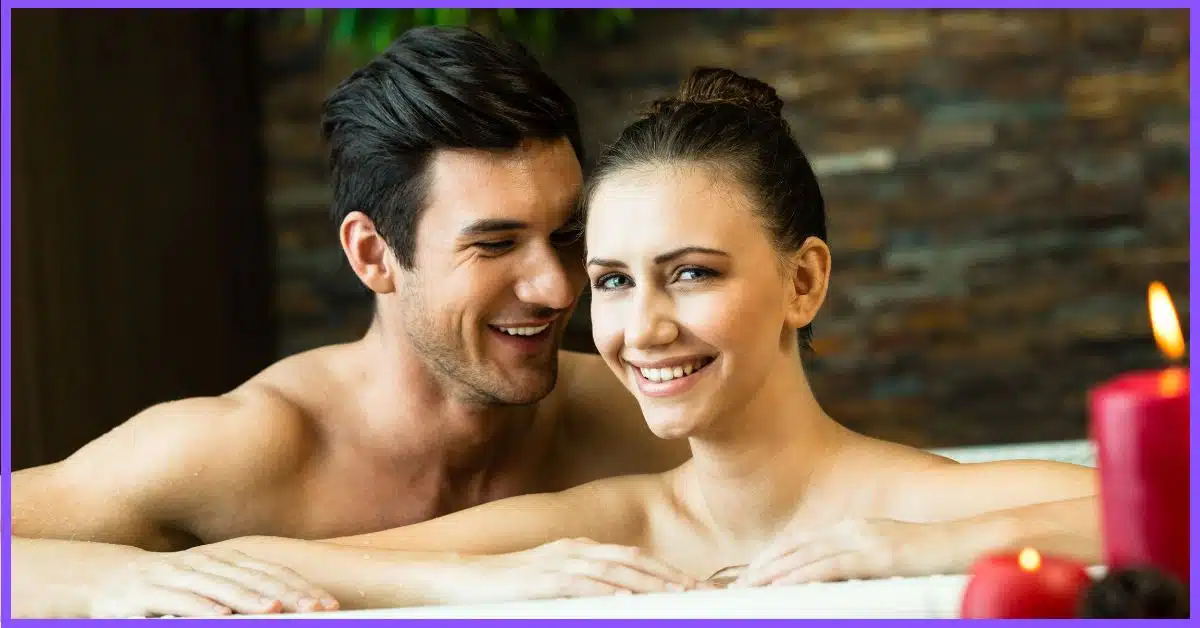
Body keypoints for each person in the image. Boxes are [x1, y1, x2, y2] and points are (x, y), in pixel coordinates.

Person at [153, 66, 1100, 611]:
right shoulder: (607, 530)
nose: (640, 327)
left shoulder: (914, 506)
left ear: (803, 282)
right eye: (611, 280)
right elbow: (270, 570)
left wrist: (912, 552)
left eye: (692, 272)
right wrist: (473, 587)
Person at [11, 26, 692, 619]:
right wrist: (124, 576)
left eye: (567, 233)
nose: (555, 285)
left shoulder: (635, 412)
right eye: (494, 244)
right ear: (374, 256)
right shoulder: (251, 446)